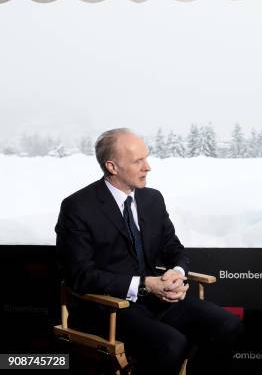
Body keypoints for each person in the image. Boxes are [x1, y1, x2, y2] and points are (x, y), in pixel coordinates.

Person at [55, 128, 241, 375]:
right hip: (110, 309)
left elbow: (173, 248)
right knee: (171, 345)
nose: (148, 167)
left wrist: (176, 272)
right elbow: (81, 276)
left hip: (157, 300)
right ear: (112, 166)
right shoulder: (77, 207)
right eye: (138, 161)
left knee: (229, 325)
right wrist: (144, 285)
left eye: (146, 157)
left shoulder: (152, 199)